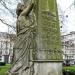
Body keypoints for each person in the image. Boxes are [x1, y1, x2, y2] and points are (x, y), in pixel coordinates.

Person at [9, 2, 36, 75]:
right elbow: (31, 5)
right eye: (24, 6)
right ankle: (12, 73)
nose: (25, 7)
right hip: (23, 41)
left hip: (21, 41)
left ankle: (16, 72)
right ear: (21, 9)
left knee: (19, 61)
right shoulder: (22, 15)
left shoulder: (18, 19)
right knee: (20, 62)